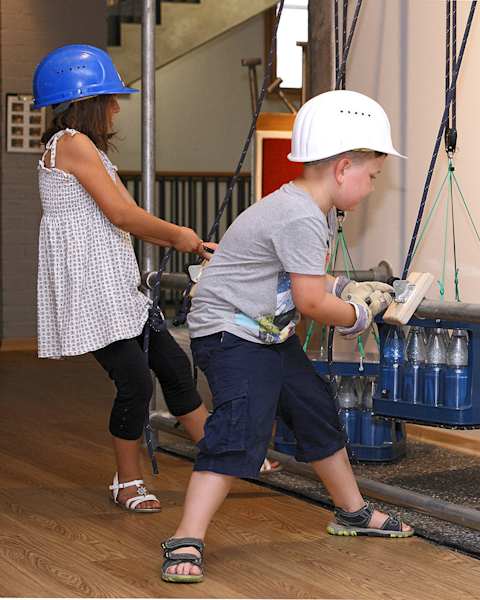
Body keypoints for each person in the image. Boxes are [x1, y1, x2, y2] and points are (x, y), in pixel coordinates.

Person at [160, 89, 413, 584]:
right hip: (232, 332)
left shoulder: (308, 208)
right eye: (372, 177)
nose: (371, 188)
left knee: (315, 410)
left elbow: (304, 277)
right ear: (343, 168)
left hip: (267, 332)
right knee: (239, 428)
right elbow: (311, 303)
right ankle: (186, 536)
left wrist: (344, 286)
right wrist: (360, 313)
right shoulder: (301, 216)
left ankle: (352, 511)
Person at [33, 44, 215, 512]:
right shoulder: (71, 143)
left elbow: (125, 217)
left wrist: (188, 241)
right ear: (87, 101)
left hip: (116, 289)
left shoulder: (84, 148)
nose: (116, 107)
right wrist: (180, 236)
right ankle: (128, 481)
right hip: (92, 292)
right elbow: (122, 215)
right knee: (135, 381)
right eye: (110, 98)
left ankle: (222, 456)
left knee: (173, 366)